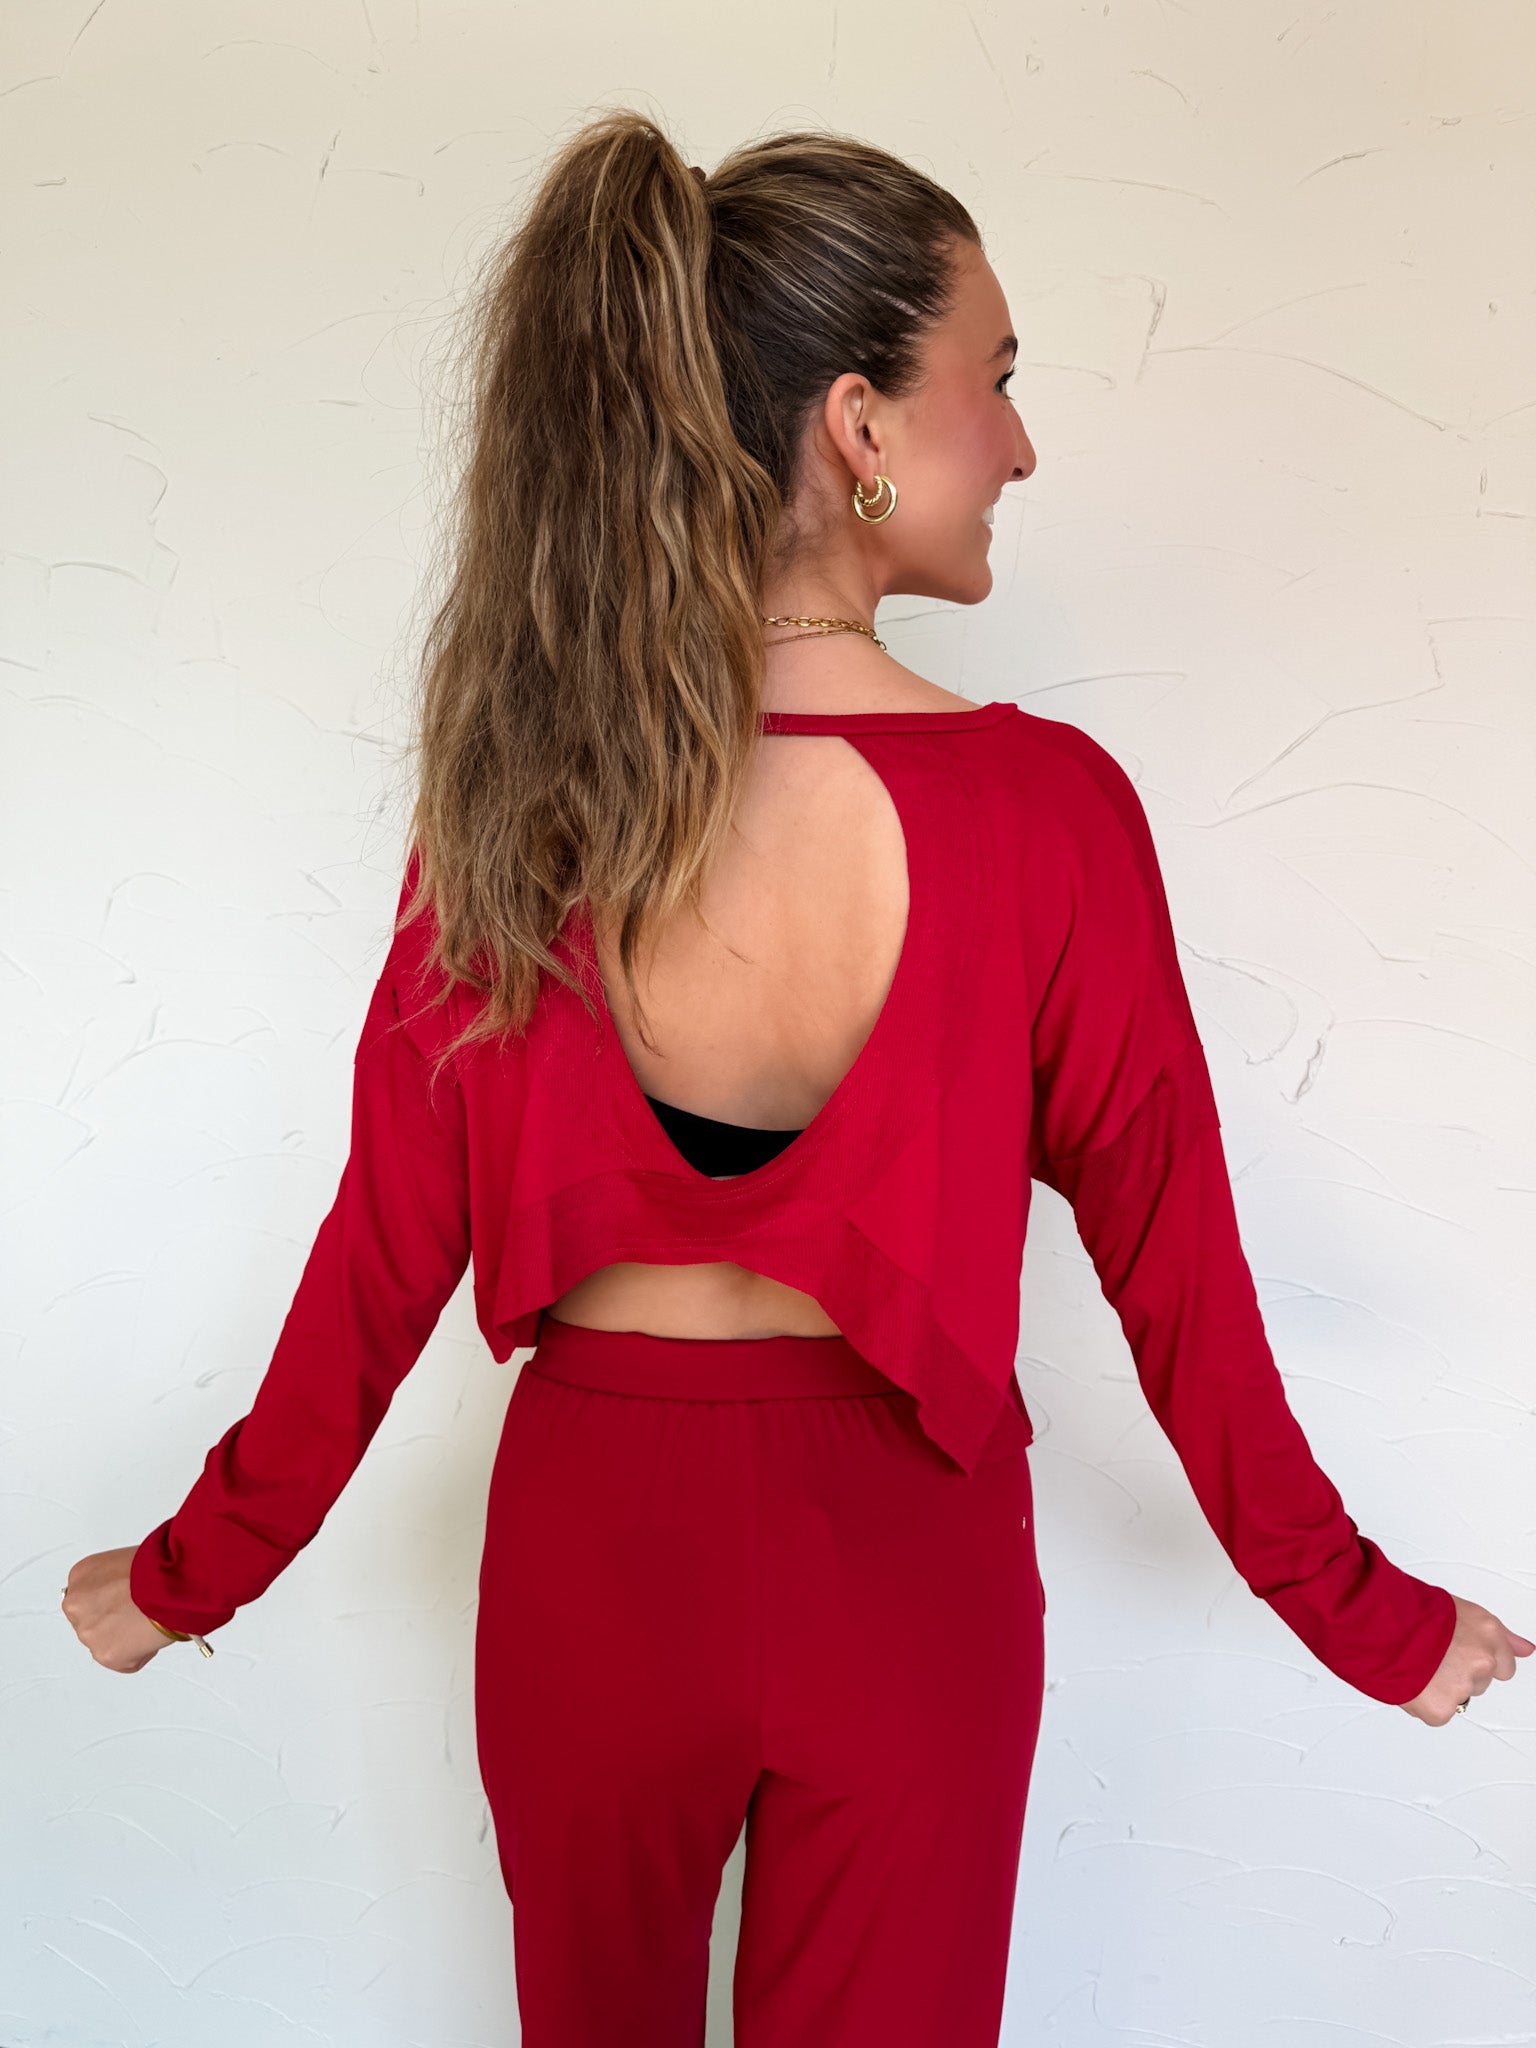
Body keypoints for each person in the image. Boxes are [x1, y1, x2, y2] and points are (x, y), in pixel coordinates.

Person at [63, 112, 1529, 2047]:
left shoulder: (521, 806)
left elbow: (384, 1243)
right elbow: (1178, 1271)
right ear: (859, 425)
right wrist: (1361, 1611)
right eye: (994, 379)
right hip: (909, 1565)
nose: (1021, 444)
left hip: (593, 1557)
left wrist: (196, 1571)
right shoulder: (1049, 817)